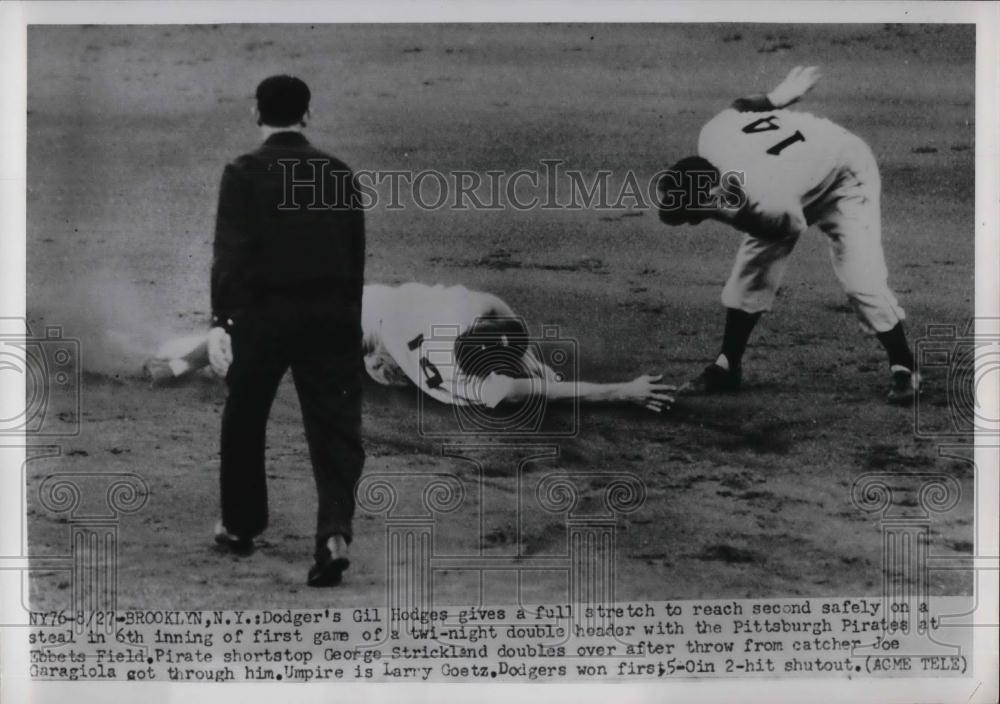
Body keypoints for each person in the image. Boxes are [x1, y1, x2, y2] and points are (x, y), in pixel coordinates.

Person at [656, 66, 918, 404]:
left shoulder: (767, 204)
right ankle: (727, 366)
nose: (692, 222)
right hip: (796, 167)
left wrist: (731, 212)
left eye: (693, 213)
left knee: (859, 277)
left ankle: (905, 365)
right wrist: (777, 97)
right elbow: (741, 106)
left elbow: (790, 227)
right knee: (751, 271)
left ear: (714, 194)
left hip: (845, 174)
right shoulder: (713, 135)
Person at [208, 75, 366, 587]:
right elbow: (355, 261)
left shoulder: (242, 171)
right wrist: (349, 327)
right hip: (330, 318)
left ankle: (240, 524)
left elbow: (230, 257)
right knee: (335, 430)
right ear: (308, 115)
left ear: (256, 113)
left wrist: (222, 321)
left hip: (263, 318)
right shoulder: (337, 173)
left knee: (245, 415)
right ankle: (334, 534)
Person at [146, 282, 676, 413]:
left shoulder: (468, 313)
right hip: (374, 325)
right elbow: (552, 392)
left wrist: (527, 354)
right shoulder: (487, 386)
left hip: (381, 313)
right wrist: (624, 390)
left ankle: (197, 351)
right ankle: (194, 354)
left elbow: (503, 318)